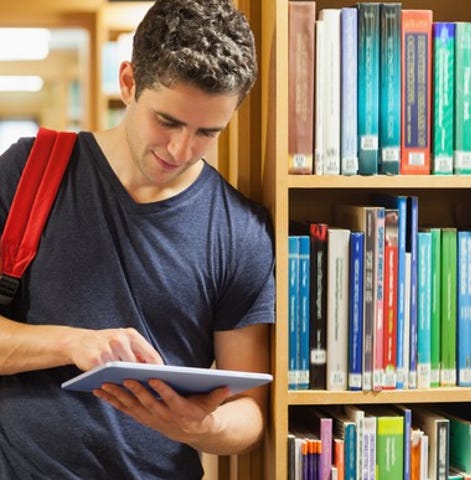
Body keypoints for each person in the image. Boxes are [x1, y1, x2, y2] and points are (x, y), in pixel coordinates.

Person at [0, 0, 275, 478]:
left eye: (207, 132)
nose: (180, 149)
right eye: (167, 121)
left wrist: (200, 425)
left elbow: (250, 414)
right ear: (128, 83)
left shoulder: (241, 230)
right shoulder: (28, 173)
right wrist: (72, 344)